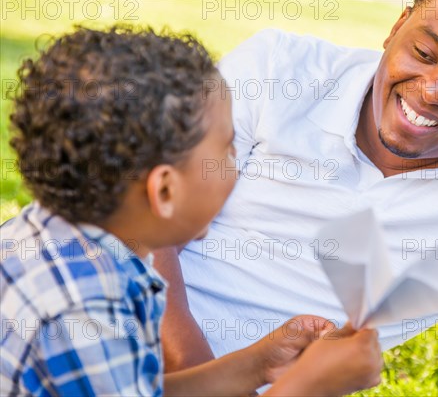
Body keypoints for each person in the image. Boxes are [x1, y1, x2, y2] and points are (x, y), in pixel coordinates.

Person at [156, 0, 438, 394]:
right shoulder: (278, 70)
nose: (433, 91)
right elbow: (146, 222)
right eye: (424, 54)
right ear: (397, 27)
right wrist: (201, 375)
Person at [0, 26, 383, 396]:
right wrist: (309, 385)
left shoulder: (57, 238)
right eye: (227, 150)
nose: (237, 164)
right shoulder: (85, 311)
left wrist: (258, 365)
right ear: (165, 190)